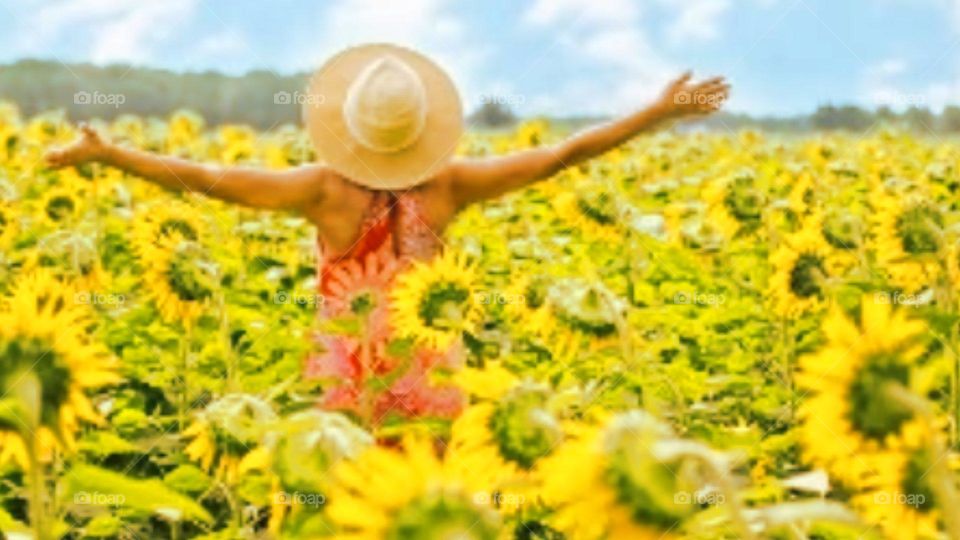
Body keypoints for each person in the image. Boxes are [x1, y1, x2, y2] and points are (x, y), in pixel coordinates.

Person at [45, 43, 730, 424]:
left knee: (353, 510)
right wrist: (657, 112)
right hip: (433, 380)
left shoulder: (324, 190)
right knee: (424, 511)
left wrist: (112, 153)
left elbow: (206, 177)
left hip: (349, 383)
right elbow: (561, 156)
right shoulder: (449, 185)